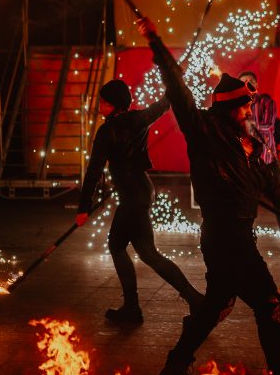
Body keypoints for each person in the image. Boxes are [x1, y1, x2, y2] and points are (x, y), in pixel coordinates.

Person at [137, 17, 280, 375]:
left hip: (236, 235)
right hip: (226, 236)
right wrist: (155, 41)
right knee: (269, 302)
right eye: (245, 105)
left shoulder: (251, 143)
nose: (250, 110)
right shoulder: (204, 130)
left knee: (214, 307)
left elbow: (274, 184)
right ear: (231, 108)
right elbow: (178, 90)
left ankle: (173, 369)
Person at [76, 79, 204, 324]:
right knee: (145, 252)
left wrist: (83, 208)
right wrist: (173, 84)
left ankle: (136, 308)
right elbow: (164, 104)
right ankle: (190, 300)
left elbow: (93, 171)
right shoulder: (139, 119)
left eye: (103, 102)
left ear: (113, 105)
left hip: (132, 198)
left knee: (122, 247)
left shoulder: (106, 132)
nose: (100, 105)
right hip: (142, 191)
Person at [238, 70, 280, 254]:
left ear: (256, 85)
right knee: (246, 204)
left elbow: (268, 126)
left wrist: (249, 125)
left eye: (250, 82)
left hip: (268, 160)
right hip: (248, 162)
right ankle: (245, 242)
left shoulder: (266, 102)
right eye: (243, 83)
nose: (247, 85)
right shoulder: (236, 106)